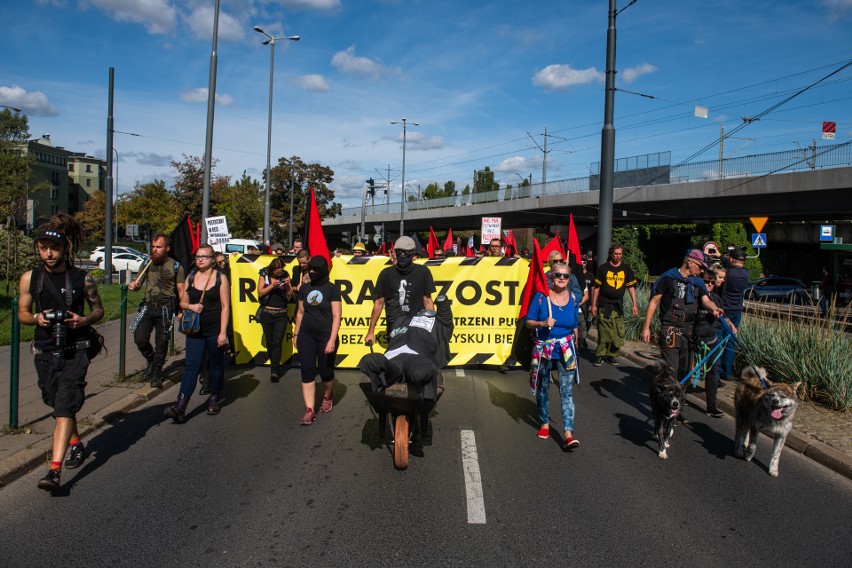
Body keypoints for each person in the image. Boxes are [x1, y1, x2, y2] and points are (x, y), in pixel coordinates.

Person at [18, 215, 105, 492]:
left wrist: (82, 321)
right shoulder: (30, 278)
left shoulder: (82, 279)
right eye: (43, 248)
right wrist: (36, 318)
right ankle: (75, 442)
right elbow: (21, 313)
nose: (48, 253)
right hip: (45, 349)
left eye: (53, 248)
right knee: (55, 402)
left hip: (75, 349)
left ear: (63, 248)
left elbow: (99, 310)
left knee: (65, 404)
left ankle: (54, 472)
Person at [164, 244, 231, 422]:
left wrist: (223, 332)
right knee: (191, 367)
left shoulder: (220, 278)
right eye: (198, 257)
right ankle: (181, 405)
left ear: (212, 260)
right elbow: (183, 302)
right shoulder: (191, 276)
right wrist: (191, 306)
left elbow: (225, 307)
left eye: (205, 257)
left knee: (215, 365)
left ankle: (214, 398)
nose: (200, 259)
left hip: (214, 329)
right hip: (194, 329)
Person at [641, 249, 723, 383]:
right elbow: (654, 302)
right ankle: (666, 398)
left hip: (689, 332)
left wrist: (714, 309)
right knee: (671, 369)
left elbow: (706, 300)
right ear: (690, 262)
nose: (702, 270)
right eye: (700, 266)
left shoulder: (698, 283)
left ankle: (678, 397)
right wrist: (646, 328)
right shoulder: (668, 278)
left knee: (685, 372)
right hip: (670, 330)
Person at [524, 262, 581, 450]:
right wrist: (542, 322)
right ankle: (544, 423)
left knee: (566, 390)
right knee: (543, 387)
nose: (562, 279)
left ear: (570, 279)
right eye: (558, 275)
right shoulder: (541, 298)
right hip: (544, 348)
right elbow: (528, 323)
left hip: (566, 348)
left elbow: (574, 325)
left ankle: (568, 433)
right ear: (551, 277)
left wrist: (576, 344)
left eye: (565, 276)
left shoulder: (573, 299)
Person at [128, 233, 186, 388]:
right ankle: (151, 360)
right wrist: (134, 286)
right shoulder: (147, 263)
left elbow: (181, 291)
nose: (155, 250)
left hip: (166, 307)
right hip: (148, 306)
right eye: (153, 247)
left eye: (158, 247)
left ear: (167, 248)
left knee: (161, 343)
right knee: (139, 338)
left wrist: (182, 310)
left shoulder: (176, 266)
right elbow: (139, 282)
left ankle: (156, 373)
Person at [293, 256, 342, 425]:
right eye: (309, 269)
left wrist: (332, 340)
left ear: (322, 270)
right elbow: (300, 313)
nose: (311, 272)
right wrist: (296, 334)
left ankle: (327, 395)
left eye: (315, 269)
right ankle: (309, 410)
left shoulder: (332, 289)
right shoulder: (304, 288)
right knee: (306, 370)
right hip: (306, 334)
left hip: (325, 335)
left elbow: (337, 316)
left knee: (325, 371)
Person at [365, 236, 436, 346]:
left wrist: (433, 329)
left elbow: (428, 302)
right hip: (395, 332)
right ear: (395, 253)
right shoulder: (386, 274)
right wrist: (371, 331)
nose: (402, 255)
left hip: (417, 330)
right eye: (399, 252)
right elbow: (378, 304)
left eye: (406, 252)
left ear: (413, 253)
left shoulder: (423, 272)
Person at [694, 266, 737, 417]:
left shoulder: (717, 298)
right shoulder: (694, 296)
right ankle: (680, 398)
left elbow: (722, 314)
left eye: (712, 282)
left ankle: (711, 405)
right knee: (686, 369)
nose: (709, 285)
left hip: (711, 339)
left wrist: (730, 324)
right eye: (706, 282)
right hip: (694, 339)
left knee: (712, 371)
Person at [590, 244, 639, 366]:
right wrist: (594, 305)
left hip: (618, 306)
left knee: (617, 332)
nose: (618, 256)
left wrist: (635, 304)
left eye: (620, 254)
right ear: (611, 254)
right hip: (604, 305)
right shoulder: (603, 268)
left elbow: (631, 287)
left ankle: (611, 355)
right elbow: (596, 288)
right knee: (604, 331)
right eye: (616, 254)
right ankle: (600, 355)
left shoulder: (626, 269)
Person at [257, 257, 292, 382]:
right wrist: (272, 286)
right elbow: (260, 293)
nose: (279, 273)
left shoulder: (285, 275)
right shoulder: (264, 274)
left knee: (277, 341)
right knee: (270, 341)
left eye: (281, 270)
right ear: (272, 269)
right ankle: (274, 365)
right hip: (266, 313)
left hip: (281, 314)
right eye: (277, 271)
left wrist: (287, 284)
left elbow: (289, 295)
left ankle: (274, 371)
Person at [717, 247, 749, 382]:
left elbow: (724, 269)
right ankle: (727, 372)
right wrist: (721, 256)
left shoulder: (728, 274)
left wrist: (720, 257)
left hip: (724, 310)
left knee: (718, 340)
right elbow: (732, 263)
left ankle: (717, 371)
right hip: (737, 311)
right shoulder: (746, 274)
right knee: (731, 341)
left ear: (731, 259)